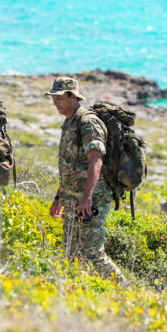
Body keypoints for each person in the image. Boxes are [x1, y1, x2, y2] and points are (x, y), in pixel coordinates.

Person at [46, 77, 127, 285]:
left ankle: (126, 290)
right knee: (71, 253)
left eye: (60, 97)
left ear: (73, 96)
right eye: (53, 97)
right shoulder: (68, 123)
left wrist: (87, 198)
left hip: (91, 200)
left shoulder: (88, 122)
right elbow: (71, 167)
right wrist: (58, 197)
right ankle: (78, 292)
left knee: (93, 253)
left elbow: (96, 160)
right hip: (71, 199)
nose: (55, 102)